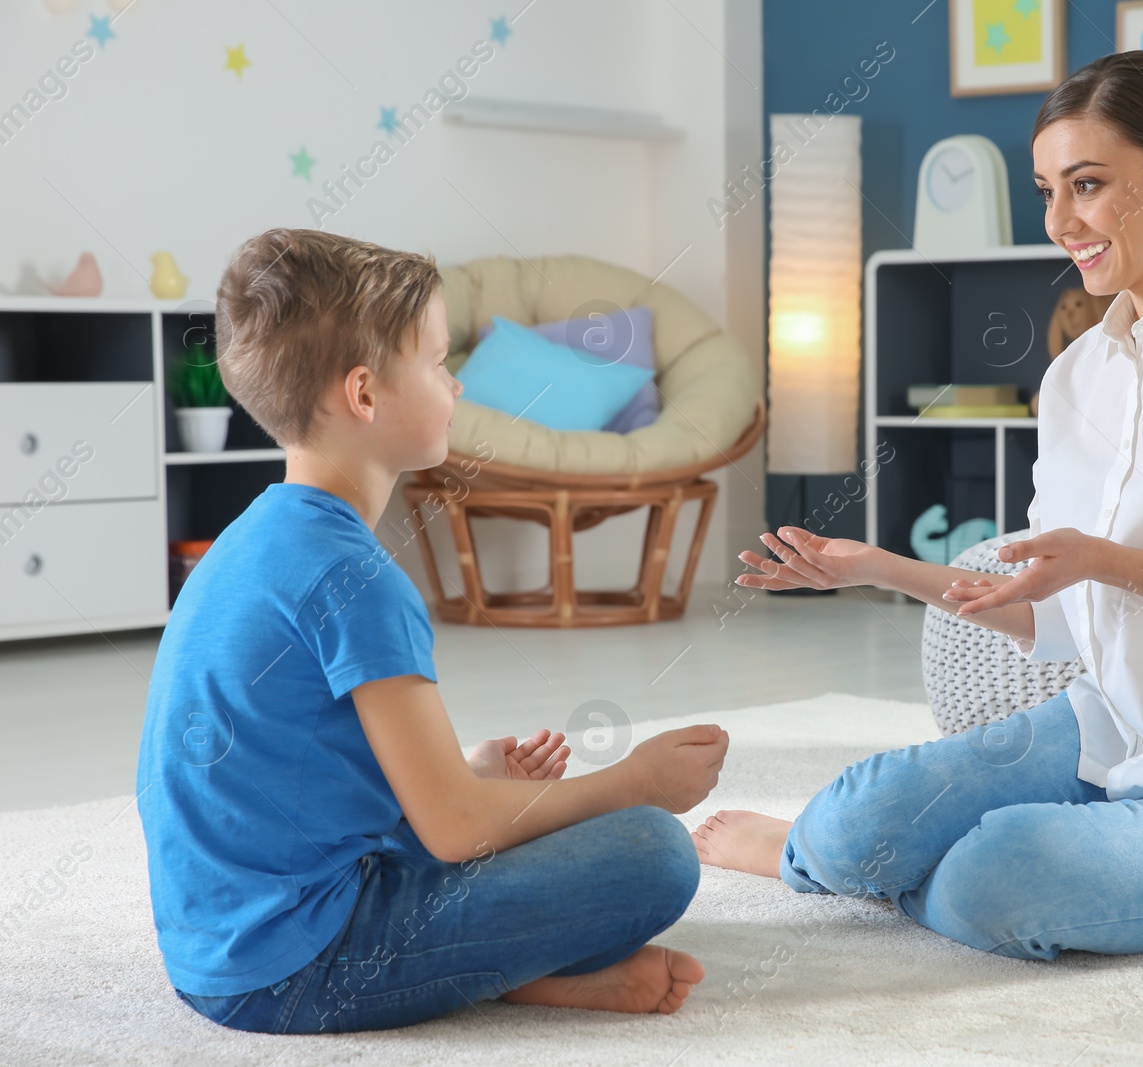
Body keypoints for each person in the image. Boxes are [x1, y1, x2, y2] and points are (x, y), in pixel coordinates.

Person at [694, 49, 1143, 960]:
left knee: (999, 875)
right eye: (1047, 190)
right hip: (1111, 736)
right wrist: (880, 568)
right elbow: (1055, 613)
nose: (1062, 221)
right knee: (858, 815)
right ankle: (827, 856)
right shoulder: (1077, 378)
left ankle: (889, 876)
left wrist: (1108, 560)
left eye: (1088, 185)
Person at [135, 228, 729, 1034]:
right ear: (366, 395)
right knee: (652, 852)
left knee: (504, 807)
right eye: (438, 363)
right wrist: (636, 780)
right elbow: (455, 830)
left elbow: (292, 768)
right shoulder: (359, 580)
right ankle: (510, 974)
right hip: (294, 967)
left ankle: (513, 969)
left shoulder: (250, 540)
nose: (455, 387)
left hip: (214, 949)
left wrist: (466, 769)